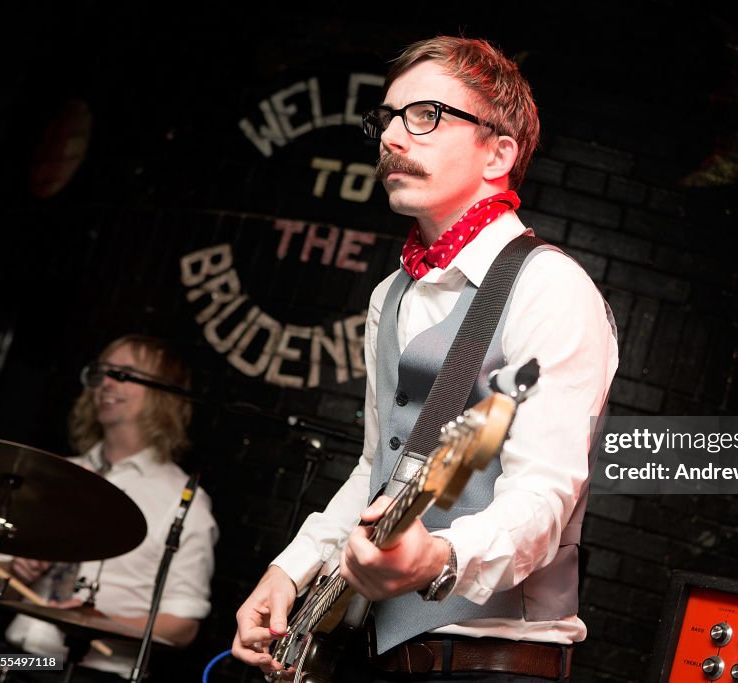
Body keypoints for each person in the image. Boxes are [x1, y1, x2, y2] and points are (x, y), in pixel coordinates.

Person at [232, 35, 619, 682]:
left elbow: (544, 497)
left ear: (499, 153)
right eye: (387, 118)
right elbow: (378, 467)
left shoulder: (550, 288)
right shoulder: (392, 294)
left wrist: (436, 555)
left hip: (492, 664)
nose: (393, 138)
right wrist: (289, 568)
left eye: (427, 115)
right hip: (381, 656)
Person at [0, 333, 219, 682]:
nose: (106, 383)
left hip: (94, 674)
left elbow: (183, 627)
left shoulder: (182, 500)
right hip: (19, 659)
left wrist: (98, 624)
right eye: (103, 371)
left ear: (164, 393)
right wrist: (14, 568)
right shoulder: (53, 472)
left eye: (125, 374)